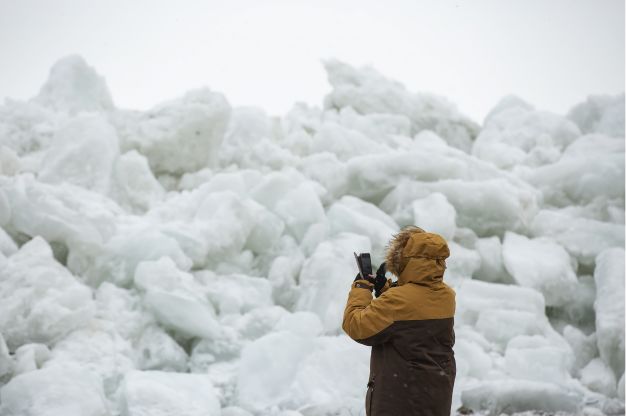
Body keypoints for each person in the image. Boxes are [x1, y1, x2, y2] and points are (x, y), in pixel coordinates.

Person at [342, 226, 456, 416]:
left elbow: (356, 325)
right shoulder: (446, 295)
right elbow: (413, 309)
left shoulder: (398, 301)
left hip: (401, 399)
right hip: (434, 395)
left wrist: (361, 288)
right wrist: (386, 290)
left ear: (406, 261)